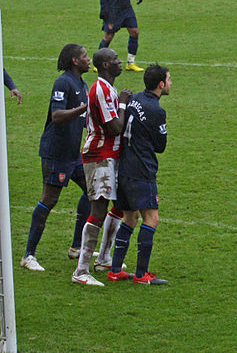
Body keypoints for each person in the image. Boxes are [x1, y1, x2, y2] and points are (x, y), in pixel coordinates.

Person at [20, 44, 92, 272]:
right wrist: (82, 109)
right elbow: (57, 115)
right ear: (74, 61)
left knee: (92, 191)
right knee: (50, 199)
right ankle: (28, 255)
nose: (88, 59)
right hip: (56, 153)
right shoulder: (64, 82)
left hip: (74, 154)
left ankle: (76, 248)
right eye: (84, 56)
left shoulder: (82, 83)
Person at [72, 48, 132, 286]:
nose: (120, 63)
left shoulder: (108, 88)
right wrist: (125, 105)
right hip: (100, 155)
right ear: (105, 65)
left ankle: (105, 258)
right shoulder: (101, 90)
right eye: (116, 60)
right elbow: (115, 127)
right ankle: (81, 270)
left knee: (118, 206)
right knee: (98, 210)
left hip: (111, 155)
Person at [108, 64, 171, 285]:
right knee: (151, 219)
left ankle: (115, 270)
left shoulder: (133, 99)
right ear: (161, 84)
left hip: (123, 168)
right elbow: (160, 146)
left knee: (130, 217)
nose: (170, 83)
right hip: (142, 170)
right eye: (169, 80)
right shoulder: (157, 110)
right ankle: (142, 275)